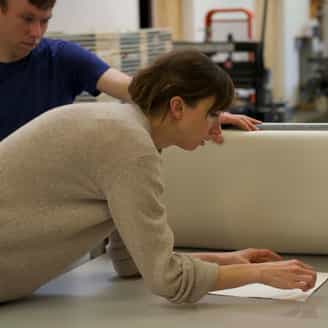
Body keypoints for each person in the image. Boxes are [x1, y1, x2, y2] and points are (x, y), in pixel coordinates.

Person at [0, 49, 317, 304]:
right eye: (210, 114)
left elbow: (131, 262)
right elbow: (168, 280)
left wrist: (230, 260)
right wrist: (260, 276)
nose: (215, 128)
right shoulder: (130, 146)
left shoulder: (123, 128)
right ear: (178, 107)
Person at [0, 0, 260, 141]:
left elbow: (138, 90)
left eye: (45, 21)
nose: (36, 32)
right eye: (27, 19)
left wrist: (204, 111)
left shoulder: (62, 57)